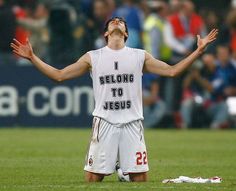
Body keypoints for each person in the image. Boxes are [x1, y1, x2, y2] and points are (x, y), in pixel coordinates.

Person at [10, 17, 218, 182]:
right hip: (105, 122)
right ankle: (119, 169)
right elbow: (59, 75)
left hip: (132, 123)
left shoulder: (139, 55)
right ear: (106, 33)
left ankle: (124, 172)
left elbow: (172, 71)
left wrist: (198, 51)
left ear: (126, 33)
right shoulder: (93, 56)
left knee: (141, 179)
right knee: (92, 178)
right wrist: (33, 58)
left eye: (121, 22)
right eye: (113, 21)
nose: (117, 21)